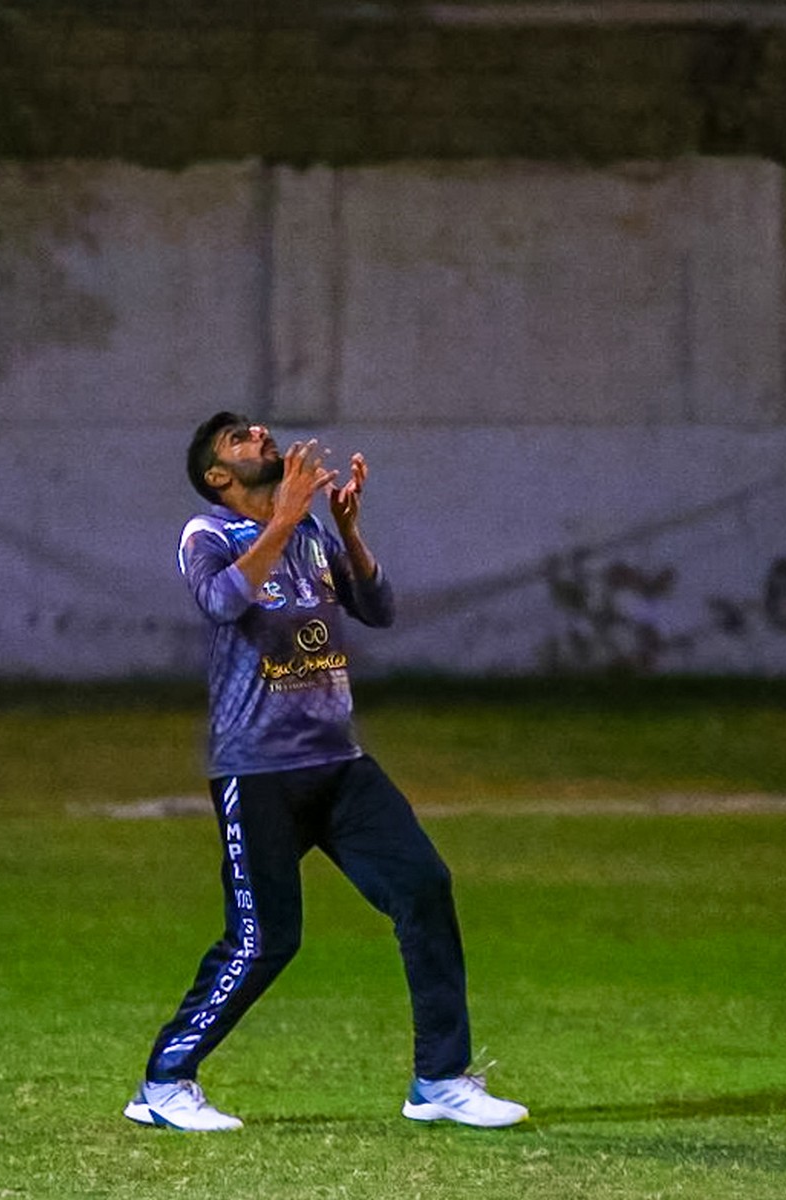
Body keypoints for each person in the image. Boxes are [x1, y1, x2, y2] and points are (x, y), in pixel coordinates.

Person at [123, 413, 528, 1133]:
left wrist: (348, 531)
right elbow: (221, 602)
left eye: (257, 431)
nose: (260, 436)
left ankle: (439, 1080)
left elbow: (378, 608)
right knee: (265, 940)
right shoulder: (207, 534)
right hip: (259, 771)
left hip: (339, 764)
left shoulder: (310, 534)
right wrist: (282, 519)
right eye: (239, 440)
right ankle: (163, 1081)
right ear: (218, 476)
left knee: (423, 887)